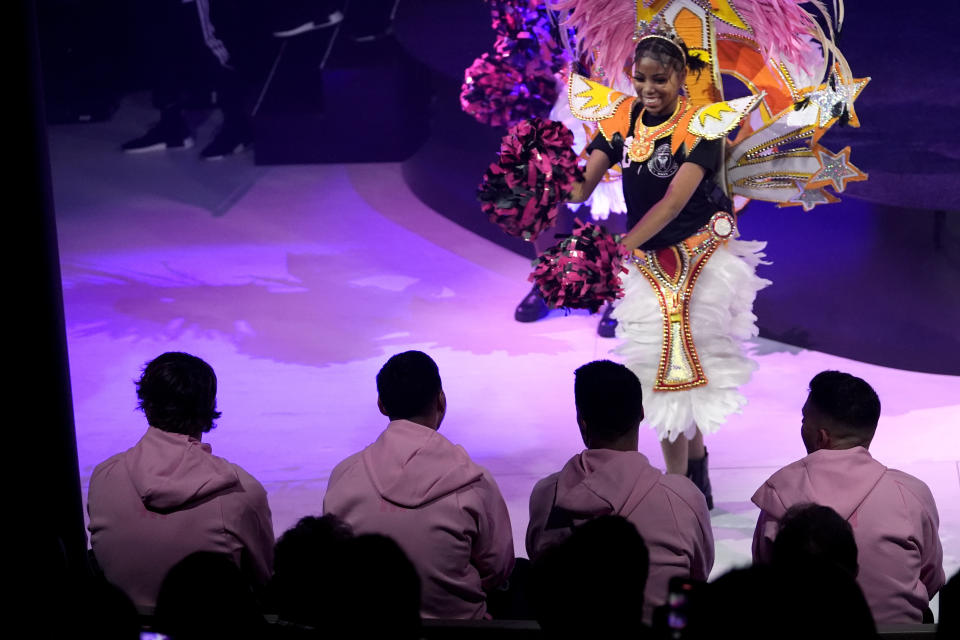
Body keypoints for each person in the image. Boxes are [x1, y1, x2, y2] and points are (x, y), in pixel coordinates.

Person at [565, 21, 770, 506]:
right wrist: (538, 176)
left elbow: (673, 204)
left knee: (673, 376)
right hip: (646, 261)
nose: (648, 89)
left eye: (659, 79)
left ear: (681, 76)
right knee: (667, 375)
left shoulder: (702, 126)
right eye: (640, 78)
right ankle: (693, 480)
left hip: (699, 259)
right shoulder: (620, 120)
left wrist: (620, 249)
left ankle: (678, 492)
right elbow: (579, 188)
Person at [322, 350, 515, 619]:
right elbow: (497, 569)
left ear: (381, 404)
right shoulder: (475, 482)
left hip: (365, 635)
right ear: (441, 401)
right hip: (464, 639)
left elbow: (334, 564)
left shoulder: (343, 475)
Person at [751, 370, 946, 623]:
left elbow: (762, 583)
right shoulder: (911, 493)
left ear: (821, 436)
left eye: (803, 421)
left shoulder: (780, 494)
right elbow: (931, 579)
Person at [526, 360, 713, 623]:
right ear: (641, 413)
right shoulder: (684, 498)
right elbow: (698, 576)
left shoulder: (546, 496)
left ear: (582, 421)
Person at [87, 352, 274, 614]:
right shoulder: (242, 491)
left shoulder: (103, 477)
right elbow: (265, 583)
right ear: (209, 406)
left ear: (147, 404)